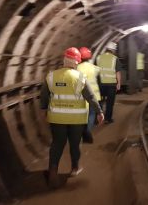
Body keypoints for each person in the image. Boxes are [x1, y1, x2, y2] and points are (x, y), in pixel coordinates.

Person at [40, 47, 104, 186]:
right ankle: (75, 168)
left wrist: (44, 109)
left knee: (57, 144)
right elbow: (91, 97)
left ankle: (52, 171)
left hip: (57, 119)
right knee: (75, 144)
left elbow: (44, 96)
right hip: (76, 120)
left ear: (64, 60)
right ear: (76, 62)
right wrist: (99, 112)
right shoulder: (80, 78)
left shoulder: (51, 76)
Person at [77, 47, 101, 143]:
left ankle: (81, 131)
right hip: (94, 95)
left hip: (82, 96)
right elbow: (99, 71)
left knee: (83, 115)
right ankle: (87, 131)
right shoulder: (93, 68)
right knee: (91, 114)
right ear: (89, 57)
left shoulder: (77, 68)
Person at [96, 41, 122, 124]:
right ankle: (107, 119)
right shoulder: (115, 59)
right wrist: (119, 83)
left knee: (99, 102)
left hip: (100, 84)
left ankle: (98, 119)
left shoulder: (98, 57)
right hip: (111, 84)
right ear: (113, 50)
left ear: (106, 49)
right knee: (109, 103)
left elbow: (96, 70)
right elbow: (118, 72)